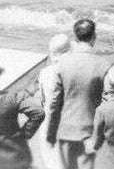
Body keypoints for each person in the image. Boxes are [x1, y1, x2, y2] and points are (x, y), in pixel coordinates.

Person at [46, 18, 110, 169]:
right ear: (94, 37)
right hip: (91, 133)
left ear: (75, 38)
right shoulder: (104, 65)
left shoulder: (62, 63)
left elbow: (54, 102)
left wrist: (51, 132)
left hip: (65, 130)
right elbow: (108, 104)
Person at [36, 34, 72, 168]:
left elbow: (43, 100)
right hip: (67, 122)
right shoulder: (72, 71)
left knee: (51, 162)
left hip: (48, 121)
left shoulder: (44, 72)